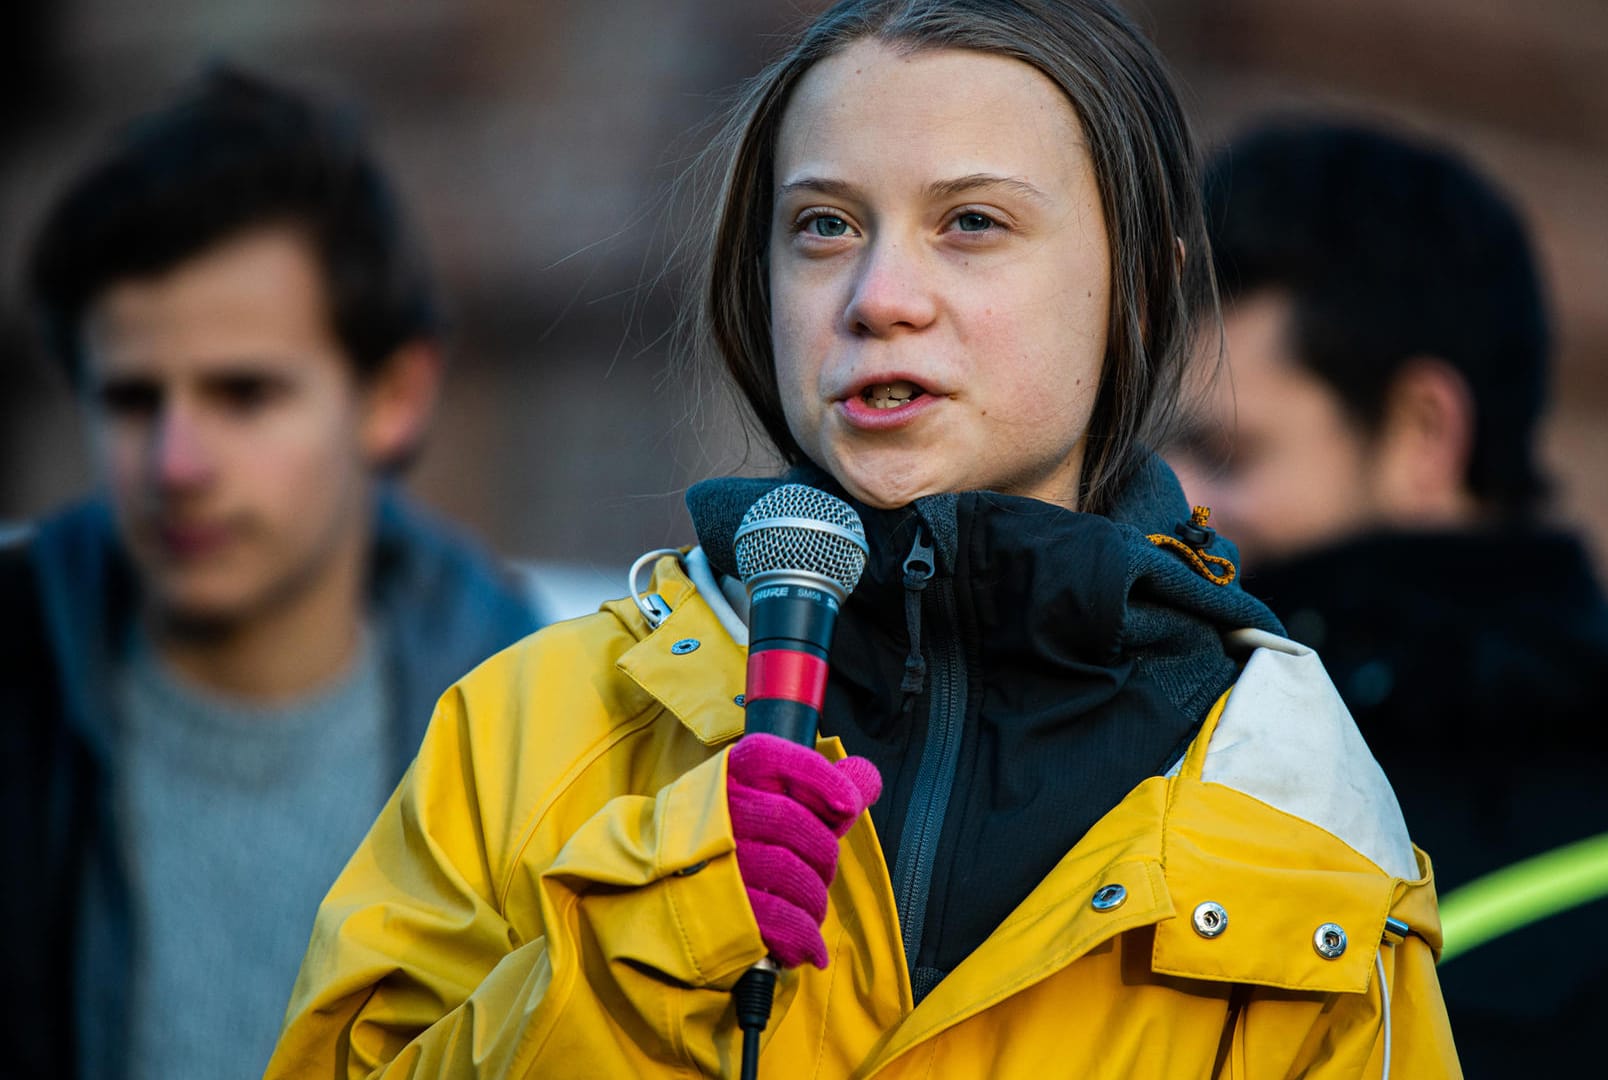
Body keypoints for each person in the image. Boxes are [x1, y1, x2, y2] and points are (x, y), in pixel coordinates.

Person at [265, 3, 1461, 1076]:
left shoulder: (1296, 801)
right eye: (825, 225)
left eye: (973, 222)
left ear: (1142, 288)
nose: (879, 295)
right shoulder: (529, 727)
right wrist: (645, 944)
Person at [1171, 120, 1608, 1078]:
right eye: (1144, 452)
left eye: (1225, 455)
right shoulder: (1120, 760)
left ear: (1423, 433)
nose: (1170, 503)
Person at [0, 67, 543, 1080]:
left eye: (243, 394)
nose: (176, 464)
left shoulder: (542, 732)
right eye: (129, 399)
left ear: (394, 395)